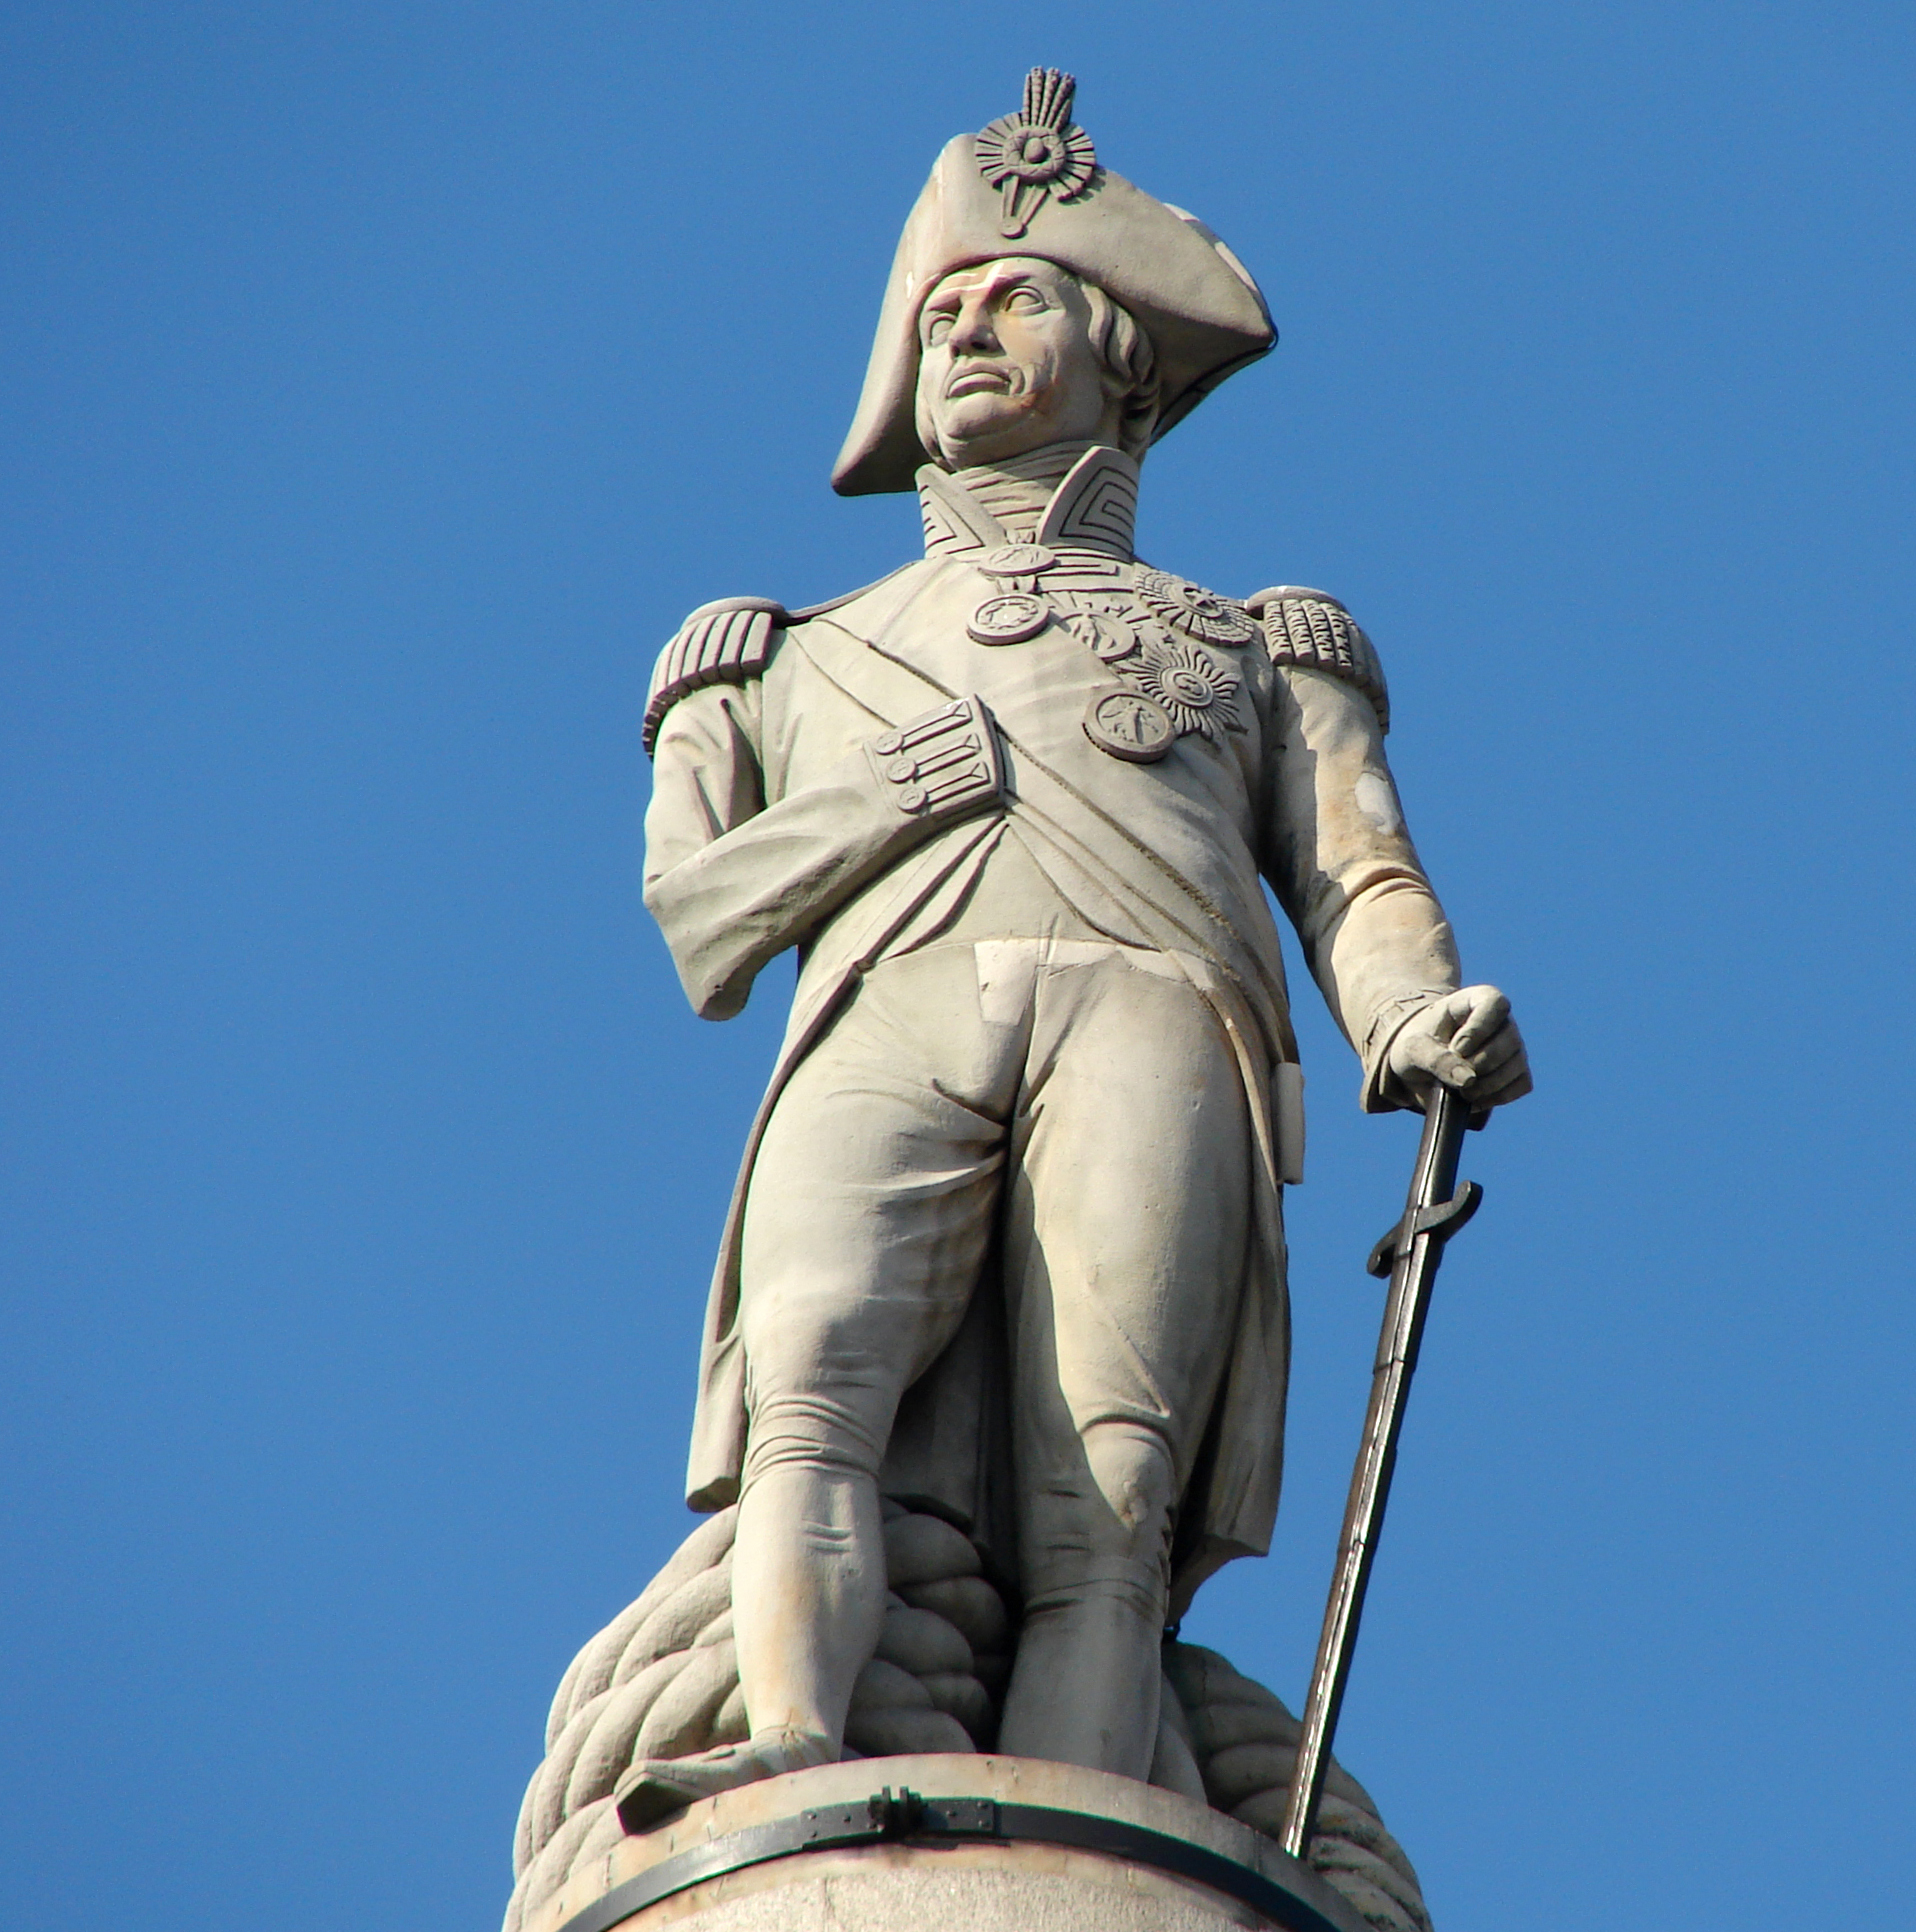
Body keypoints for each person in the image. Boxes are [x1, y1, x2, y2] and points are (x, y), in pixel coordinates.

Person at [615, 71, 1529, 1826]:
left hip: (1156, 1018)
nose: (964, 333)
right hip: (884, 1013)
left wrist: (1413, 1021)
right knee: (811, 1385)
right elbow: (702, 927)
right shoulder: (772, 655)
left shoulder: (1259, 645)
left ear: (1124, 364)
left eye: (1012, 297)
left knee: (1106, 1487)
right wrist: (875, 804)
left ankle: (1071, 1823)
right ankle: (794, 1744)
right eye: (939, 312)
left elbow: (1355, 874)